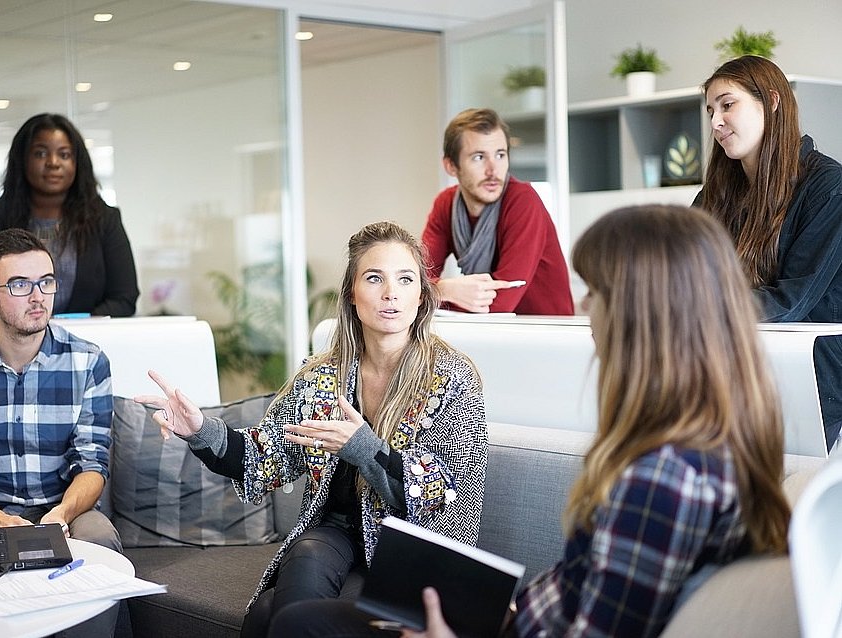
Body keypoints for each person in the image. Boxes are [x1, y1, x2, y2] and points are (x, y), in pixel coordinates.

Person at [283, 205, 791, 638]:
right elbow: (582, 593)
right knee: (290, 613)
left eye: (596, 292)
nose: (586, 308)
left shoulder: (663, 479)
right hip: (513, 619)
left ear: (645, 313)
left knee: (298, 624)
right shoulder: (704, 445)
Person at [135, 221, 488, 637]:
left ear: (421, 296)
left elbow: (450, 498)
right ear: (352, 295)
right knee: (303, 560)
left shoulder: (452, 377)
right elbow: (264, 456)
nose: (391, 292)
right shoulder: (322, 375)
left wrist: (363, 447)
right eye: (374, 278)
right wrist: (199, 429)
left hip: (410, 547)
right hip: (335, 531)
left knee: (270, 612)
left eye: (405, 279)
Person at [0, 229, 124, 636]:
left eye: (46, 281)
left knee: (99, 537)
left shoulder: (88, 363)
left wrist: (61, 516)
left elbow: (93, 464)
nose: (38, 296)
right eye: (19, 284)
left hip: (64, 508)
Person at [695, 55, 842, 450]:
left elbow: (791, 301)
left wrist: (695, 309)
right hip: (737, 359)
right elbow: (684, 275)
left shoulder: (828, 187)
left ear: (772, 102)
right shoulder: (714, 196)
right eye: (711, 110)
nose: (715, 122)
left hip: (814, 371)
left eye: (728, 104)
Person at [0, 113, 139, 321]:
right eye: (40, 154)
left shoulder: (105, 219)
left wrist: (73, 328)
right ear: (22, 160)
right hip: (13, 346)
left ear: (77, 163)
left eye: (64, 155)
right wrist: (25, 326)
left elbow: (124, 298)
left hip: (86, 344)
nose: (53, 163)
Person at [421, 108, 573, 315]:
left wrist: (435, 293)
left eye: (500, 155)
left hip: (545, 335)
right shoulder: (445, 204)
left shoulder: (523, 201)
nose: (493, 170)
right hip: (490, 333)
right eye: (478, 157)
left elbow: (500, 303)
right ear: (451, 166)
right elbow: (414, 281)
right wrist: (444, 289)